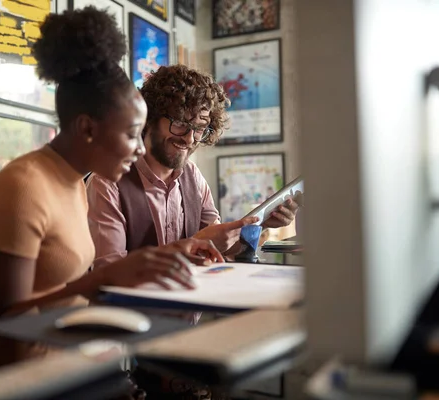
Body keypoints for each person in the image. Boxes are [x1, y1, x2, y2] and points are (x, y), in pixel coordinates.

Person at [0, 8, 223, 373]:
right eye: (131, 134)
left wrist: (175, 250)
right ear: (87, 128)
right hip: (35, 380)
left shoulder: (70, 184)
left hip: (80, 363)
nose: (141, 148)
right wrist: (102, 279)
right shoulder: (22, 188)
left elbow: (65, 296)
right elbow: (0, 327)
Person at [86, 64, 299, 269]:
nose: (189, 139)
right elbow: (109, 272)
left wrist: (262, 224)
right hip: (133, 307)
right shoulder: (107, 182)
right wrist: (193, 244)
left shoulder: (193, 176)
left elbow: (222, 249)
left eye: (199, 129)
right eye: (179, 123)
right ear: (149, 119)